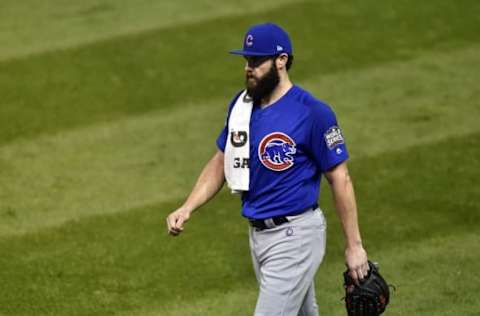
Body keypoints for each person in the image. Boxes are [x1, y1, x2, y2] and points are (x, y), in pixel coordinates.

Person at [166, 22, 369, 316]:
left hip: (295, 236)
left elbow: (340, 178)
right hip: (258, 238)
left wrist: (354, 246)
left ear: (281, 61)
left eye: (257, 61)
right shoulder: (241, 105)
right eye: (247, 60)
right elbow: (222, 159)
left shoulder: (313, 113)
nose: (249, 67)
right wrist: (188, 207)